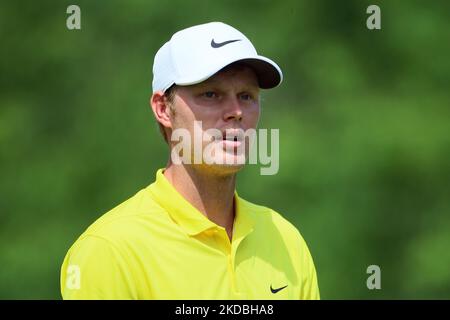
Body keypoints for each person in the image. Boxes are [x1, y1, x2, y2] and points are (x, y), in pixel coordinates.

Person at [60, 21, 320, 299]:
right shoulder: (109, 250)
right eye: (211, 94)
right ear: (163, 109)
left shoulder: (286, 240)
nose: (236, 111)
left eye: (246, 96)